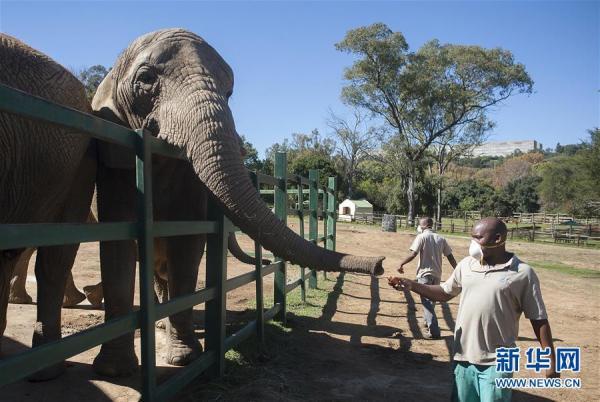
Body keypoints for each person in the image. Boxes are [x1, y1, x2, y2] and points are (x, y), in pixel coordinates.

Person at [389, 218, 558, 402]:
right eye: (472, 237)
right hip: (463, 357)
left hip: (498, 362)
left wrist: (550, 359)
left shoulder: (523, 273)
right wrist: (411, 284)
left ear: (498, 239)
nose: (473, 243)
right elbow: (445, 292)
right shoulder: (466, 265)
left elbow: (538, 318)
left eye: (478, 237)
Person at [398, 217, 457, 339]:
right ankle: (427, 321)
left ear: (423, 226)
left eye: (420, 225)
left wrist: (401, 263)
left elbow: (413, 254)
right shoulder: (441, 238)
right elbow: (450, 256)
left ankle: (434, 331)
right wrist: (458, 269)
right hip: (437, 274)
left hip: (424, 274)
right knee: (432, 300)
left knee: (426, 303)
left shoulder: (422, 237)